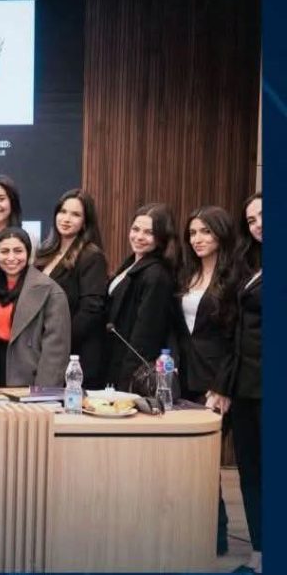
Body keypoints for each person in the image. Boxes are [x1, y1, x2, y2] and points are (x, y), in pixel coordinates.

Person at [171, 205, 239, 557]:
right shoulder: (188, 273)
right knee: (185, 459)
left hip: (217, 382)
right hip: (184, 377)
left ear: (221, 234)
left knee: (207, 462)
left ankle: (217, 536)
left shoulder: (237, 277)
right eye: (193, 232)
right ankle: (189, 531)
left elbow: (236, 339)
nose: (198, 239)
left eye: (206, 232)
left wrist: (223, 387)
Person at [0, 227, 70, 387]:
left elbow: (56, 352)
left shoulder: (51, 292)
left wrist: (43, 393)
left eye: (18, 251)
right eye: (4, 251)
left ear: (28, 253)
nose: (11, 257)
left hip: (31, 382)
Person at [34, 189, 108, 389]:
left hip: (75, 354)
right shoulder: (44, 252)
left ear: (85, 222)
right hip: (43, 350)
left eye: (75, 214)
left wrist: (58, 341)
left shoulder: (91, 256)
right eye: (63, 211)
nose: (66, 219)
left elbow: (91, 310)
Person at [103, 203, 178, 392]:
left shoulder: (156, 274)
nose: (139, 237)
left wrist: (126, 382)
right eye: (135, 229)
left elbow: (145, 336)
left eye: (148, 232)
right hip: (112, 359)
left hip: (129, 370)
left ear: (161, 237)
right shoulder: (131, 263)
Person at [230, 192, 261, 573]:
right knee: (250, 472)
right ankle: (259, 554)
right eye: (251, 220)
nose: (258, 225)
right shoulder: (251, 264)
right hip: (245, 386)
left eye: (263, 215)